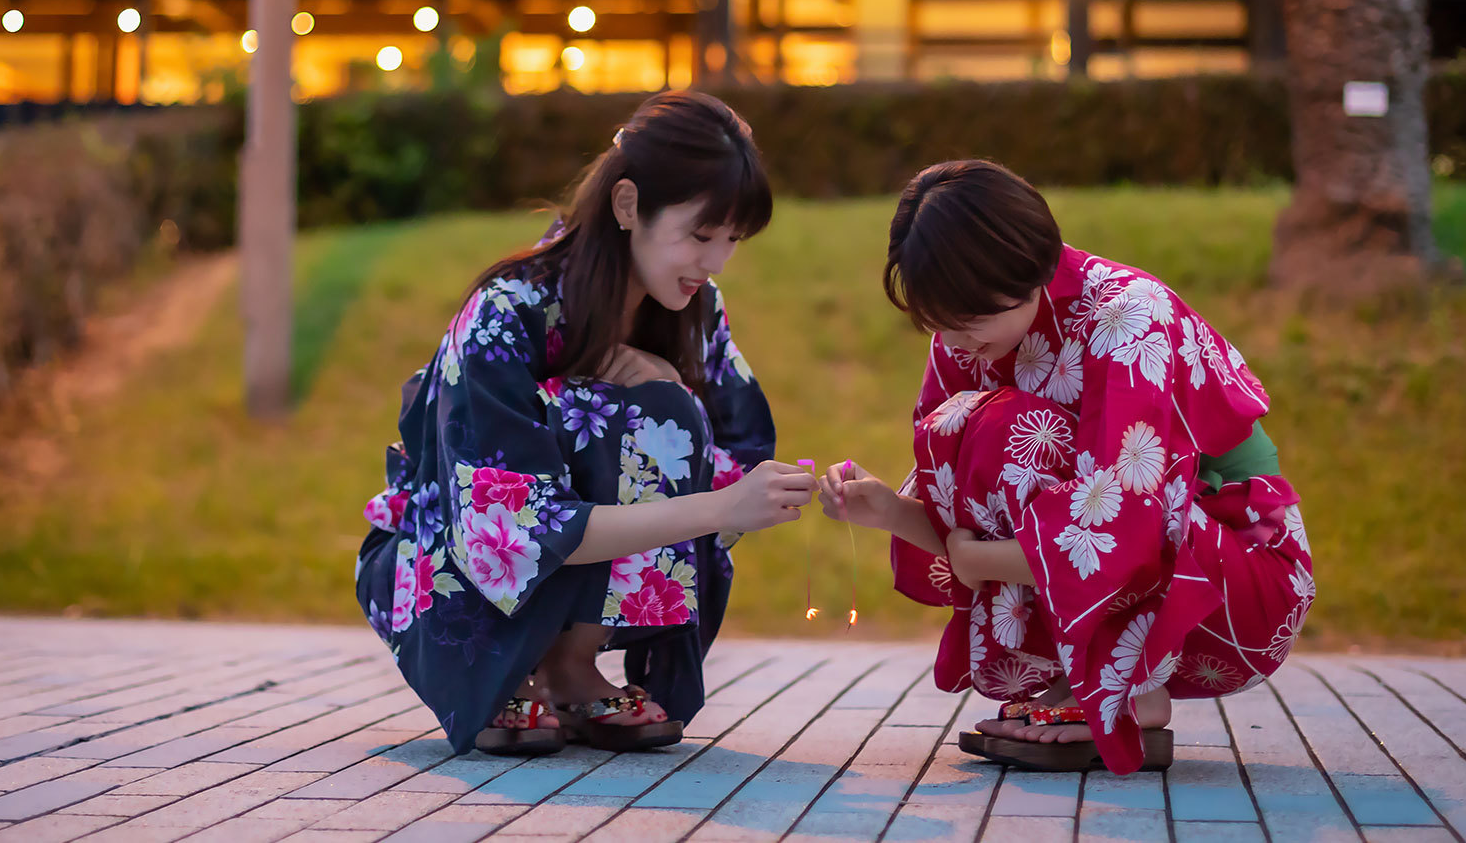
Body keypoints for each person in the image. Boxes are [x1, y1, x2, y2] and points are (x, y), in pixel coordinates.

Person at [356, 91, 814, 756]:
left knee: (668, 410)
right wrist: (714, 497)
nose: (716, 262)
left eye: (732, 240)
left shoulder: (696, 308)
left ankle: (573, 665)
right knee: (623, 416)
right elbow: (506, 527)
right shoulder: (505, 310)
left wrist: (668, 386)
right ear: (627, 206)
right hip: (444, 566)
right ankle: (512, 669)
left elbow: (740, 452)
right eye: (701, 236)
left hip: (564, 567)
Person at [819, 159, 1314, 773]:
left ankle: (1127, 691)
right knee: (971, 429)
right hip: (1152, 559)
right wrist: (891, 512)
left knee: (1012, 431)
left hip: (1237, 572)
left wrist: (976, 560)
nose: (951, 340)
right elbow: (972, 525)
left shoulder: (1127, 313)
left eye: (964, 318)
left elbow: (1122, 529)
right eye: (936, 320)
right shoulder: (967, 335)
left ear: (1023, 270)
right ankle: (1090, 680)